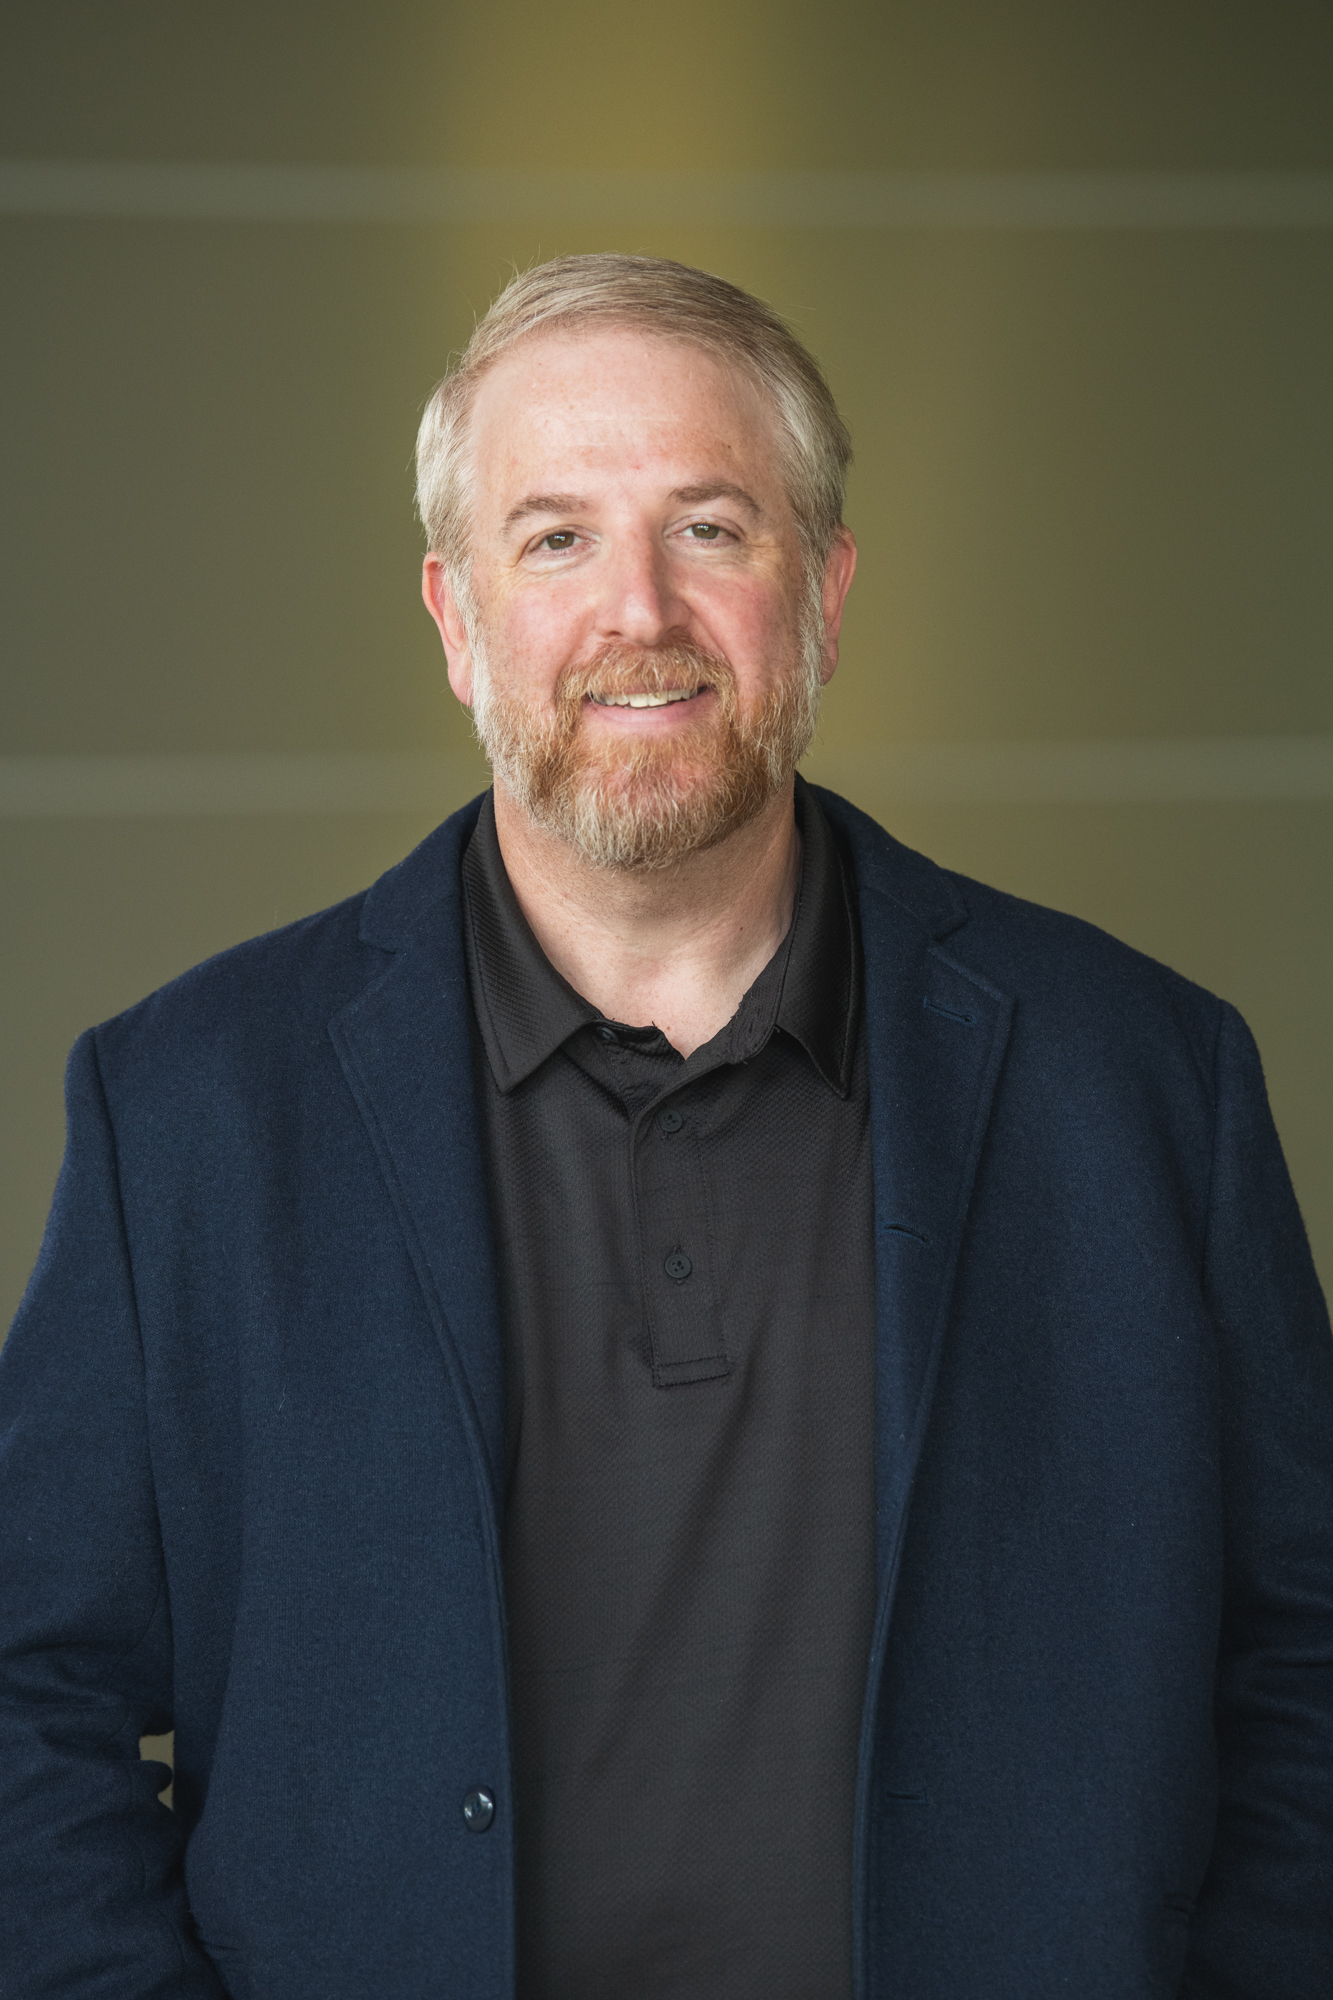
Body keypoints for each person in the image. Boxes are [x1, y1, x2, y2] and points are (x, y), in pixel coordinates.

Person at [1, 254, 1330, 2000]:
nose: (638, 609)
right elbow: (30, 1695)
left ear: (824, 591)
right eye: (554, 538)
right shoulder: (186, 1110)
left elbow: (1303, 1658)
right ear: (456, 618)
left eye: (710, 528)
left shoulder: (1147, 1079)